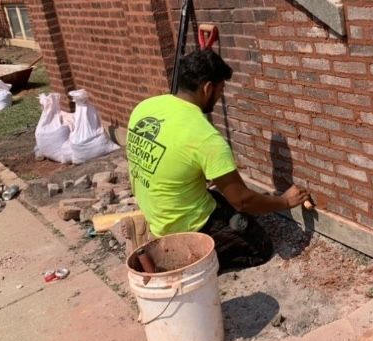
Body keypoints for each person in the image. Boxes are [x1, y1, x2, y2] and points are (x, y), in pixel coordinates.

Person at [126, 49, 310, 270]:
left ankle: (167, 242)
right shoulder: (205, 137)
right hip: (185, 227)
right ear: (207, 88)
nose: (220, 95)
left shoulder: (146, 107)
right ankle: (189, 260)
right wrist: (285, 202)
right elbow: (243, 201)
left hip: (157, 212)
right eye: (221, 89)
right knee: (259, 247)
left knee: (219, 198)